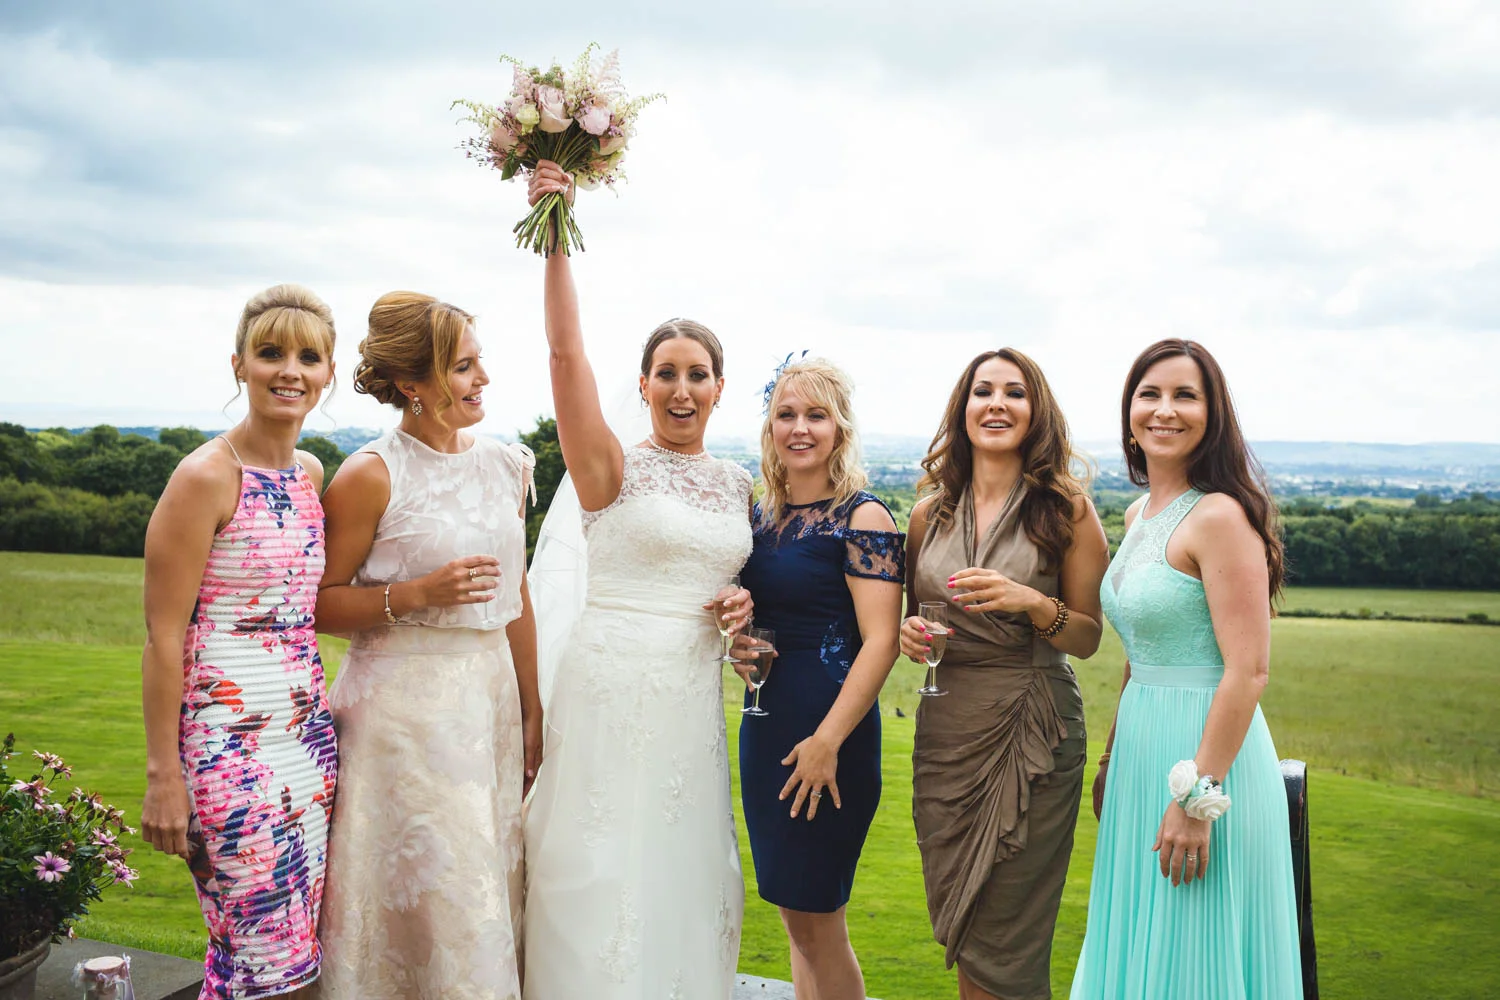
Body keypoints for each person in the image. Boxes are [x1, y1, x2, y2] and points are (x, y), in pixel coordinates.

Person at [520, 161, 755, 1000]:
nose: (681, 389)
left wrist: (742, 608)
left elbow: (743, 597)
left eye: (698, 375)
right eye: (667, 373)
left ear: (720, 389)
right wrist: (555, 230)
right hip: (610, 681)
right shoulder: (609, 470)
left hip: (691, 694)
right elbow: (563, 353)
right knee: (595, 857)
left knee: (681, 857)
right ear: (644, 383)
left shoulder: (737, 487)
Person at [312, 292, 541, 1000]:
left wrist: (533, 710)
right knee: (423, 897)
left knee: (483, 887)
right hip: (400, 723)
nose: (482, 380)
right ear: (411, 383)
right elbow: (317, 605)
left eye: (479, 363)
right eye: (463, 367)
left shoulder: (507, 465)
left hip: (490, 708)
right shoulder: (372, 474)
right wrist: (415, 594)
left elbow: (517, 596)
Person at [1069, 339, 1303, 999]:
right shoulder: (1140, 514)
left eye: (1185, 395)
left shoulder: (1222, 516)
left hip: (1208, 765)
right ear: (1129, 413)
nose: (1164, 410)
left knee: (1194, 956)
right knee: (1139, 946)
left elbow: (1249, 670)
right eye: (1150, 394)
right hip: (1144, 757)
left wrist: (1198, 799)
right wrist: (1114, 756)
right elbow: (1142, 650)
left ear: (1213, 414)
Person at [140, 284, 339, 998]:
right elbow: (164, 637)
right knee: (263, 964)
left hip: (307, 744)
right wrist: (165, 774)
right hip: (227, 752)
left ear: (328, 374)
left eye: (307, 357)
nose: (290, 370)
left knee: (301, 956)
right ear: (239, 366)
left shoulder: (312, 474)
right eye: (270, 353)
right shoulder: (204, 478)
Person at [899, 348, 1110, 1000]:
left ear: (1034, 411)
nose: (996, 404)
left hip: (1033, 727)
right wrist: (912, 635)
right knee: (964, 923)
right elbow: (916, 616)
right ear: (962, 410)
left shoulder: (1065, 509)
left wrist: (1035, 604)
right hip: (947, 730)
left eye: (1013, 393)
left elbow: (1088, 635)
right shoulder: (927, 514)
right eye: (983, 391)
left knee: (1009, 939)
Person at [734, 358, 904, 1000]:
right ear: (769, 425)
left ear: (840, 428)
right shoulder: (760, 515)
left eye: (815, 415)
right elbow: (759, 619)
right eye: (786, 414)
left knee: (820, 925)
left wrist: (828, 742)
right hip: (767, 727)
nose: (799, 428)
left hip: (831, 738)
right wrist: (739, 649)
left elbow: (882, 640)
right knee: (794, 920)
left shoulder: (864, 519)